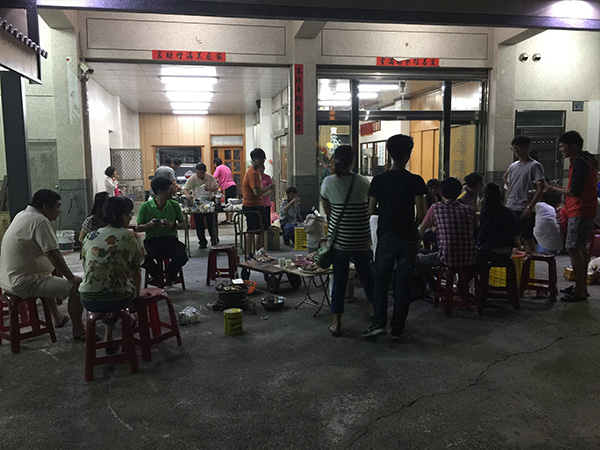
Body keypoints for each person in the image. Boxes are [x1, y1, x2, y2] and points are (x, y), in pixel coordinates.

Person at [362, 134, 427, 339]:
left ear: (389, 154)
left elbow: (370, 210)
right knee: (403, 282)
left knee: (381, 279)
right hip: (409, 236)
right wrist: (410, 223)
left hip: (387, 234)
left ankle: (378, 322)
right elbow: (421, 213)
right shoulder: (415, 180)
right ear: (408, 154)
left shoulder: (379, 180)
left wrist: (387, 212)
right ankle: (398, 327)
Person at [0, 190, 85, 339]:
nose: (59, 211)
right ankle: (79, 330)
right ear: (46, 207)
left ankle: (57, 317)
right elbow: (53, 254)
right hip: (24, 282)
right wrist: (71, 277)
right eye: (57, 206)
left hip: (7, 279)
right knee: (77, 288)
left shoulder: (22, 215)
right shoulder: (40, 221)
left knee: (47, 276)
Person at [320, 145, 374, 337]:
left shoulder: (328, 182)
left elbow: (327, 210)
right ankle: (373, 311)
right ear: (353, 161)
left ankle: (337, 323)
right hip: (361, 238)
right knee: (367, 277)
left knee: (339, 280)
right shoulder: (363, 181)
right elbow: (370, 207)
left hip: (340, 240)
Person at [80, 196, 144, 351]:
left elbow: (86, 267)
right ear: (121, 215)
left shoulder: (90, 236)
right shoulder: (132, 236)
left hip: (88, 299)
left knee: (106, 285)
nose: (130, 218)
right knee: (117, 289)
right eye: (129, 214)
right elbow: (136, 269)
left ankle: (109, 337)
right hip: (119, 299)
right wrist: (136, 296)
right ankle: (129, 323)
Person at [545, 131, 599, 302]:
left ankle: (580, 292)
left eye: (562, 146)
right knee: (580, 248)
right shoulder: (586, 161)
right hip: (583, 209)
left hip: (580, 210)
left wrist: (553, 189)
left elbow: (575, 191)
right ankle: (580, 287)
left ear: (573, 146)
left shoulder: (580, 163)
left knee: (573, 249)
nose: (560, 150)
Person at [416, 177, 478, 291]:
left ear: (441, 192)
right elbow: (473, 229)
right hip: (470, 258)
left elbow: (422, 229)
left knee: (416, 261)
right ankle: (461, 287)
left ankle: (435, 287)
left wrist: (415, 246)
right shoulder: (469, 209)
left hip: (446, 258)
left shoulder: (436, 207)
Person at [137, 176, 189, 286]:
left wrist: (172, 225)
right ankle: (157, 276)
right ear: (160, 192)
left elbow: (185, 225)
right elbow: (139, 227)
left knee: (182, 256)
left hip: (170, 240)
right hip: (152, 241)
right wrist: (149, 225)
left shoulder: (174, 205)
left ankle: (169, 274)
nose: (172, 193)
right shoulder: (145, 206)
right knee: (141, 257)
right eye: (169, 190)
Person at [503, 135, 545, 253]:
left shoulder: (534, 166)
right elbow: (508, 181)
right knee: (511, 237)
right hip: (510, 206)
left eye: (519, 148)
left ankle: (530, 261)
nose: (516, 151)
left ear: (527, 148)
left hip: (524, 207)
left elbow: (540, 188)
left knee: (527, 238)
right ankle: (518, 261)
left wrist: (530, 207)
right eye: (514, 148)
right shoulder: (513, 166)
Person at [476, 182, 518, 266]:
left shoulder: (486, 212)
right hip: (507, 251)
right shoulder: (509, 212)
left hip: (490, 250)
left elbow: (482, 234)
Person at [241, 148, 274, 251]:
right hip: (252, 206)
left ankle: (257, 252)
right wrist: (268, 188)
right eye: (261, 159)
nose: (263, 162)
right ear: (254, 159)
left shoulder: (255, 172)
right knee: (252, 231)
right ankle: (251, 254)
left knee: (259, 230)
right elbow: (257, 192)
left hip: (255, 205)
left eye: (264, 159)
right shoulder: (253, 173)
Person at [183, 163, 219, 249]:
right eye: (198, 173)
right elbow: (185, 188)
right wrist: (188, 195)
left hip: (209, 202)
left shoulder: (210, 178)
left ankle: (214, 241)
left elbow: (216, 188)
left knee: (212, 224)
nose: (199, 175)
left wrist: (209, 188)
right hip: (197, 203)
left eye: (201, 173)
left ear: (205, 172)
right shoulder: (193, 178)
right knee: (199, 224)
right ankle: (202, 242)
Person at [524, 180, 564, 253]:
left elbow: (560, 205)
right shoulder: (539, 199)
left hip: (546, 225)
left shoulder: (539, 200)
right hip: (549, 227)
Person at [213, 157, 237, 224]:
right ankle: (230, 219)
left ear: (215, 163)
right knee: (232, 203)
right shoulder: (227, 167)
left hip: (227, 186)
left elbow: (214, 177)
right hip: (233, 185)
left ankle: (227, 220)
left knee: (227, 204)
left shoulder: (218, 168)